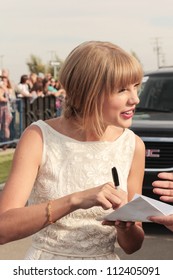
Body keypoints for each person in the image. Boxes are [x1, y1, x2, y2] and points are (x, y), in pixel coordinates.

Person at [0, 41, 145, 260]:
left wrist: (125, 227)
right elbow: (3, 228)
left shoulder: (133, 146)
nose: (135, 99)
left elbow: (132, 245)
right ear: (89, 92)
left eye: (136, 86)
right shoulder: (38, 137)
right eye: (123, 89)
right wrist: (74, 200)